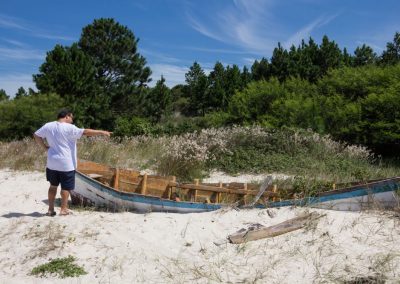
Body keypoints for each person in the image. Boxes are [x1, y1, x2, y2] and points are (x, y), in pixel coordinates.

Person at [34, 109, 112, 216]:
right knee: (65, 188)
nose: (72, 120)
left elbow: (36, 135)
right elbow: (85, 132)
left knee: (53, 186)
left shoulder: (48, 126)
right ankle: (63, 209)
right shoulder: (70, 128)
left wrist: (44, 148)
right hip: (66, 163)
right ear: (67, 116)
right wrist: (102, 132)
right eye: (71, 118)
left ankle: (50, 210)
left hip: (52, 162)